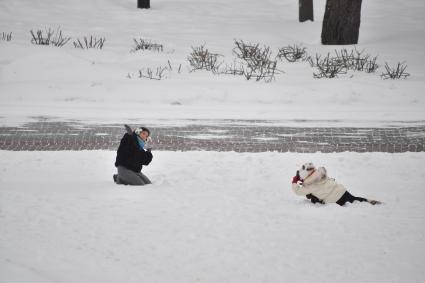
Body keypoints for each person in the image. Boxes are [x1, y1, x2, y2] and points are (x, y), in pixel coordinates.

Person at [291, 163, 380, 206]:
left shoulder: (310, 186)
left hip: (335, 199)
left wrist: (294, 181)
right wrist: (305, 183)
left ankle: (321, 200)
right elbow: (317, 183)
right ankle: (368, 201)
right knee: (353, 199)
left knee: (312, 198)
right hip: (341, 190)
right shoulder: (320, 173)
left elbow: (298, 191)